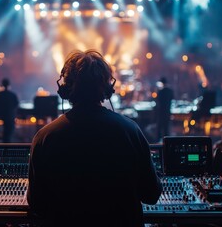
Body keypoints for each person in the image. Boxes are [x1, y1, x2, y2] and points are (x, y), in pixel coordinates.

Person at [27, 50, 162, 226]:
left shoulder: (45, 137)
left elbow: (38, 204)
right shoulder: (131, 131)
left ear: (65, 89)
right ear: (107, 89)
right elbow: (151, 195)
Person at [0, 78, 19, 143]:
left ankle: (3, 145)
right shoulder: (12, 95)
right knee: (9, 134)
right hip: (10, 117)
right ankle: (7, 146)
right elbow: (16, 104)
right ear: (9, 85)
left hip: (1, 116)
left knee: (5, 133)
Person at [155, 76, 174, 142]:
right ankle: (167, 143)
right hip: (167, 112)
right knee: (166, 129)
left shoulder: (160, 92)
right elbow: (172, 99)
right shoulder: (170, 91)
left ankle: (157, 144)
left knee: (159, 129)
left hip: (161, 112)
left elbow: (157, 101)